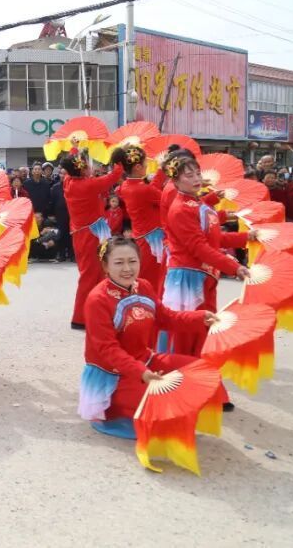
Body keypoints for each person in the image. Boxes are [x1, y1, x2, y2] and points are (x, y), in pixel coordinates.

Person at [78, 237, 218, 439]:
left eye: (132, 261)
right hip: (113, 374)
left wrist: (200, 317)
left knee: (200, 371)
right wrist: (140, 372)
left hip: (146, 360)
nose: (127, 269)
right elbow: (107, 350)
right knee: (162, 404)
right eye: (119, 263)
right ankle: (116, 410)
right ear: (105, 266)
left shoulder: (143, 286)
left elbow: (166, 318)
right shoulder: (97, 300)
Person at [159, 151, 254, 359]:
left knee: (203, 331)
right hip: (188, 278)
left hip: (205, 275)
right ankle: (181, 370)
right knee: (187, 334)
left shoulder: (198, 203)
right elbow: (199, 247)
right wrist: (234, 267)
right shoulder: (180, 209)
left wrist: (247, 237)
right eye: (189, 175)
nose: (196, 179)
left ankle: (197, 370)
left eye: (197, 173)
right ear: (175, 181)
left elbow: (215, 237)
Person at [61, 149, 124, 329]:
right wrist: (118, 158)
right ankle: (80, 318)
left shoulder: (68, 181)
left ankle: (96, 313)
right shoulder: (87, 185)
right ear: (81, 169)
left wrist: (75, 149)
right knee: (90, 275)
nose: (90, 166)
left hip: (85, 232)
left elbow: (72, 167)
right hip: (91, 233)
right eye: (86, 164)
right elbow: (114, 176)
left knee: (97, 273)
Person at [111, 145, 167, 291]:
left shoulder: (125, 186)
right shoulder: (143, 189)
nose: (147, 166)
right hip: (153, 240)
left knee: (146, 279)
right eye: (145, 164)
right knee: (154, 281)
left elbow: (151, 190)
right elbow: (166, 199)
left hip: (141, 237)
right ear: (137, 167)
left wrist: (161, 170)